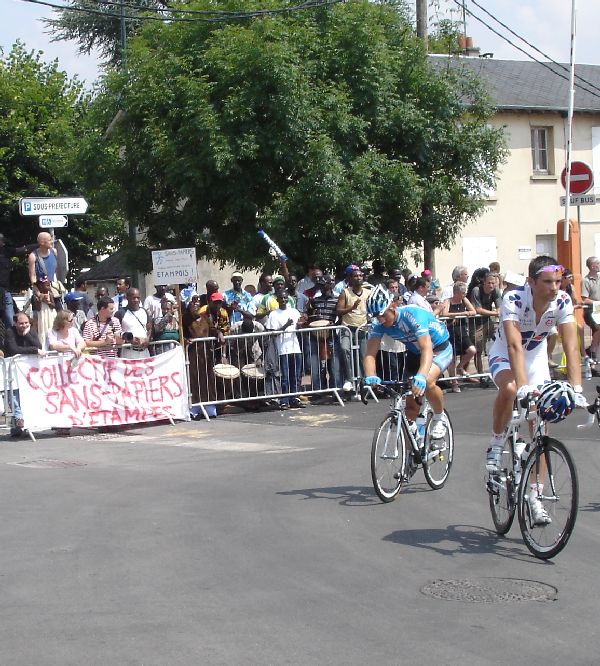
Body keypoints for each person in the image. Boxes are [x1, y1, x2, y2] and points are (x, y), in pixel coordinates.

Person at [486, 256, 585, 524]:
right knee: (509, 388)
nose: (555, 287)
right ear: (531, 282)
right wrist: (524, 387)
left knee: (540, 426)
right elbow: (514, 346)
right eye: (548, 282)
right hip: (506, 354)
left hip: (537, 358)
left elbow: (571, 346)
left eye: (557, 281)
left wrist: (576, 386)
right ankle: (496, 443)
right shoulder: (514, 299)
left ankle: (535, 496)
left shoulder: (562, 300)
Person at [363, 285, 452, 440]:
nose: (380, 320)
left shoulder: (412, 315)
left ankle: (439, 416)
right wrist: (371, 375)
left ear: (393, 306)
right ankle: (413, 454)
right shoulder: (378, 323)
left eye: (382, 315)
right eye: (376, 316)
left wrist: (422, 376)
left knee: (428, 381)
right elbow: (370, 353)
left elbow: (426, 348)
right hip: (415, 353)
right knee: (410, 407)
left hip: (438, 349)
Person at [3, 312, 47, 436]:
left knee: (26, 395)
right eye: (21, 323)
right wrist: (33, 350)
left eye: (26, 323)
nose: (24, 325)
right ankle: (18, 419)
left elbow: (38, 345)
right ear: (15, 323)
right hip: (12, 368)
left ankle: (17, 427)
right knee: (14, 393)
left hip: (27, 369)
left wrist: (27, 335)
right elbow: (14, 349)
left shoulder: (30, 330)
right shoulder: (10, 332)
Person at [265, 291, 306, 409]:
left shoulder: (294, 311)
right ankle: (284, 400)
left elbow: (299, 325)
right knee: (285, 377)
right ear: (277, 300)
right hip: (283, 349)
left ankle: (294, 398)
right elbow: (272, 333)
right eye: (281, 298)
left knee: (296, 375)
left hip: (295, 347)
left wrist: (301, 323)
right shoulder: (274, 314)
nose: (283, 300)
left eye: (285, 298)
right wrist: (285, 326)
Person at [336, 266, 371, 391]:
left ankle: (364, 382)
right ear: (350, 278)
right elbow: (338, 311)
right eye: (356, 276)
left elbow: (373, 309)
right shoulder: (345, 292)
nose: (358, 278)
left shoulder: (368, 292)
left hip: (362, 329)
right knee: (345, 349)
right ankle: (349, 379)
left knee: (363, 356)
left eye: (360, 276)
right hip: (347, 328)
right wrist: (351, 308)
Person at [441, 282, 477, 392]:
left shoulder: (464, 300)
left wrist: (465, 313)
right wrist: (458, 315)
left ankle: (460, 367)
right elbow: (444, 314)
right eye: (462, 293)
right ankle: (454, 382)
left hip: (461, 330)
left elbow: (473, 311)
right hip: (450, 330)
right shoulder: (448, 301)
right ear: (456, 293)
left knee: (472, 350)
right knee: (452, 357)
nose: (464, 294)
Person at [469, 271, 502, 374]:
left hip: (488, 321)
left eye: (493, 283)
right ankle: (480, 374)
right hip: (476, 324)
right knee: (478, 351)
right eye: (489, 283)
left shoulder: (495, 291)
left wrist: (498, 311)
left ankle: (495, 372)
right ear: (484, 283)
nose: (491, 285)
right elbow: (478, 309)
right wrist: (495, 313)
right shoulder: (476, 290)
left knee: (494, 347)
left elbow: (499, 306)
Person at [0, 233, 30, 329]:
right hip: (4, 289)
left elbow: (22, 250)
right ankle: (11, 333)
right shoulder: (5, 251)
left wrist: (38, 245)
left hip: (5, 289)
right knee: (8, 312)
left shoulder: (6, 251)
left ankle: (11, 335)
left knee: (9, 314)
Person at [115, 287, 152, 359]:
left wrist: (148, 338)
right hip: (129, 353)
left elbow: (149, 328)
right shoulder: (120, 313)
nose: (136, 300)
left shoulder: (144, 311)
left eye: (138, 298)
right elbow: (116, 333)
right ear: (127, 298)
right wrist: (129, 339)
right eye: (133, 298)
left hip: (144, 353)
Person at [581, 256, 600, 360]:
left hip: (599, 309)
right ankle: (592, 351)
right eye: (598, 263)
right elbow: (584, 299)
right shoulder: (586, 280)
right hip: (591, 310)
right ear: (593, 266)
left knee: (597, 332)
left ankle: (592, 352)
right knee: (598, 328)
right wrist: (598, 303)